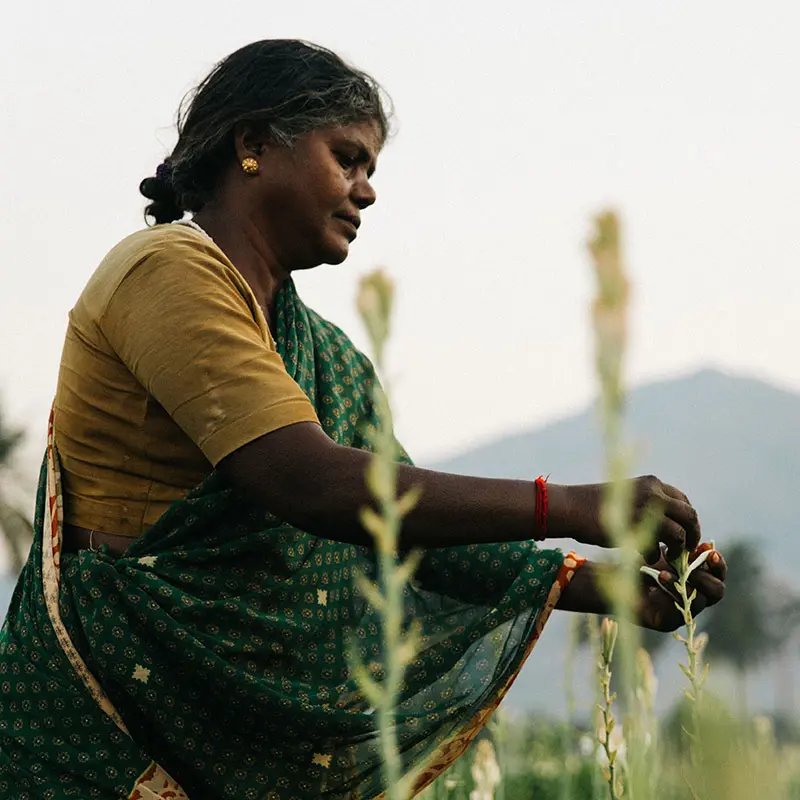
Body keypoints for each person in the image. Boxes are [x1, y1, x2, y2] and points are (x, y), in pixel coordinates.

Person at [0, 39, 725, 800]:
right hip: (114, 728)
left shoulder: (323, 353)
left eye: (371, 169)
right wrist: (576, 505)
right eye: (347, 157)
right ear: (252, 145)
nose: (366, 190)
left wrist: (613, 589)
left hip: (227, 741)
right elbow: (306, 480)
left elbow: (404, 532)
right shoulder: (166, 271)